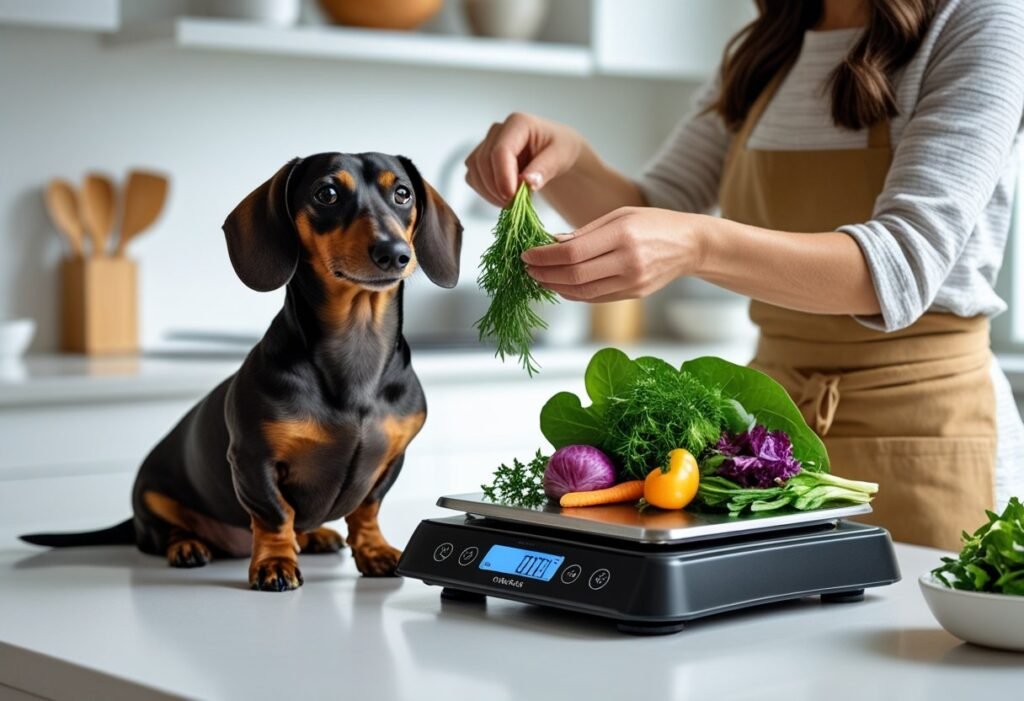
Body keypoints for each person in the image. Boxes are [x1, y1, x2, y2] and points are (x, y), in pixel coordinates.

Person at [463, 0, 1024, 550]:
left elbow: (901, 262)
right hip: (766, 432)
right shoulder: (771, 45)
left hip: (926, 427)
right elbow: (658, 204)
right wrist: (569, 160)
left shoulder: (982, 18)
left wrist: (698, 243)